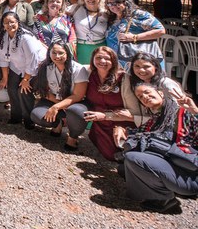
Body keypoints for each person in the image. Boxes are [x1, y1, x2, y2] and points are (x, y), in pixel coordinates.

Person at [119, 82, 198, 213]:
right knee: (124, 168)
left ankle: (164, 199)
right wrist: (121, 129)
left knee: (133, 159)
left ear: (161, 93)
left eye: (147, 92)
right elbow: (140, 135)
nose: (144, 96)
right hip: (173, 167)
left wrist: (195, 111)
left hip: (190, 175)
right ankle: (166, 189)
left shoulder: (183, 112)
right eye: (140, 96)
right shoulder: (156, 118)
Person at [29, 41, 89, 151]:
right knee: (37, 115)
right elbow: (44, 91)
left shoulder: (79, 69)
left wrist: (56, 107)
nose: (57, 56)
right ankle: (58, 123)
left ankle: (72, 137)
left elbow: (78, 96)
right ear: (49, 53)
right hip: (55, 99)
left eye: (61, 53)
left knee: (76, 112)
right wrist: (59, 104)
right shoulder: (46, 68)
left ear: (68, 53)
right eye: (54, 53)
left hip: (75, 103)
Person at [82, 46, 135, 162]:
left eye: (107, 58)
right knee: (110, 154)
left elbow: (133, 111)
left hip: (120, 120)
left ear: (114, 61)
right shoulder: (90, 74)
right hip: (100, 122)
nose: (102, 61)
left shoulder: (123, 79)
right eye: (98, 58)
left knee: (119, 152)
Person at [0, 11, 47, 129]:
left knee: (24, 90)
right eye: (6, 23)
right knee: (11, 87)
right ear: (2, 25)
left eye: (12, 22)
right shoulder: (1, 36)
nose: (9, 25)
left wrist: (26, 79)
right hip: (17, 65)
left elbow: (32, 59)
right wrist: (5, 78)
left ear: (18, 23)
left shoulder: (26, 37)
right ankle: (16, 116)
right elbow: (2, 58)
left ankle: (29, 119)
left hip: (36, 66)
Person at [121, 52, 184, 126]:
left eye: (146, 67)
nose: (141, 70)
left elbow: (179, 112)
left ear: (155, 67)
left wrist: (131, 118)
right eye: (137, 66)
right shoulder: (139, 87)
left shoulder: (166, 84)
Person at [106, 0, 165, 71]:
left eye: (116, 2)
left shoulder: (138, 15)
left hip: (138, 62)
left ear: (125, 2)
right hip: (118, 61)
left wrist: (134, 37)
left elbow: (160, 30)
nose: (113, 6)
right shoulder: (112, 17)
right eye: (109, 4)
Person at [70, 0, 108, 65]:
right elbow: (58, 11)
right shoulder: (75, 9)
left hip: (101, 48)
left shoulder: (106, 12)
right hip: (81, 49)